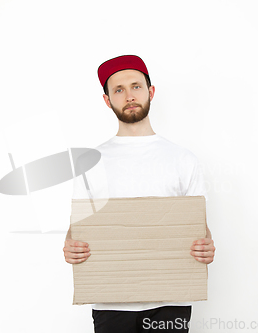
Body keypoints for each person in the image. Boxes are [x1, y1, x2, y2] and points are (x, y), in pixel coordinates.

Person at [63, 55, 215, 333]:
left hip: (170, 300)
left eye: (136, 86)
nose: (129, 96)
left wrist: (206, 245)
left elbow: (198, 227)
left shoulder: (182, 159)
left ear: (151, 92)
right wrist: (70, 246)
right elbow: (80, 227)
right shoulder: (91, 162)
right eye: (118, 90)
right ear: (107, 100)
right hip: (110, 304)